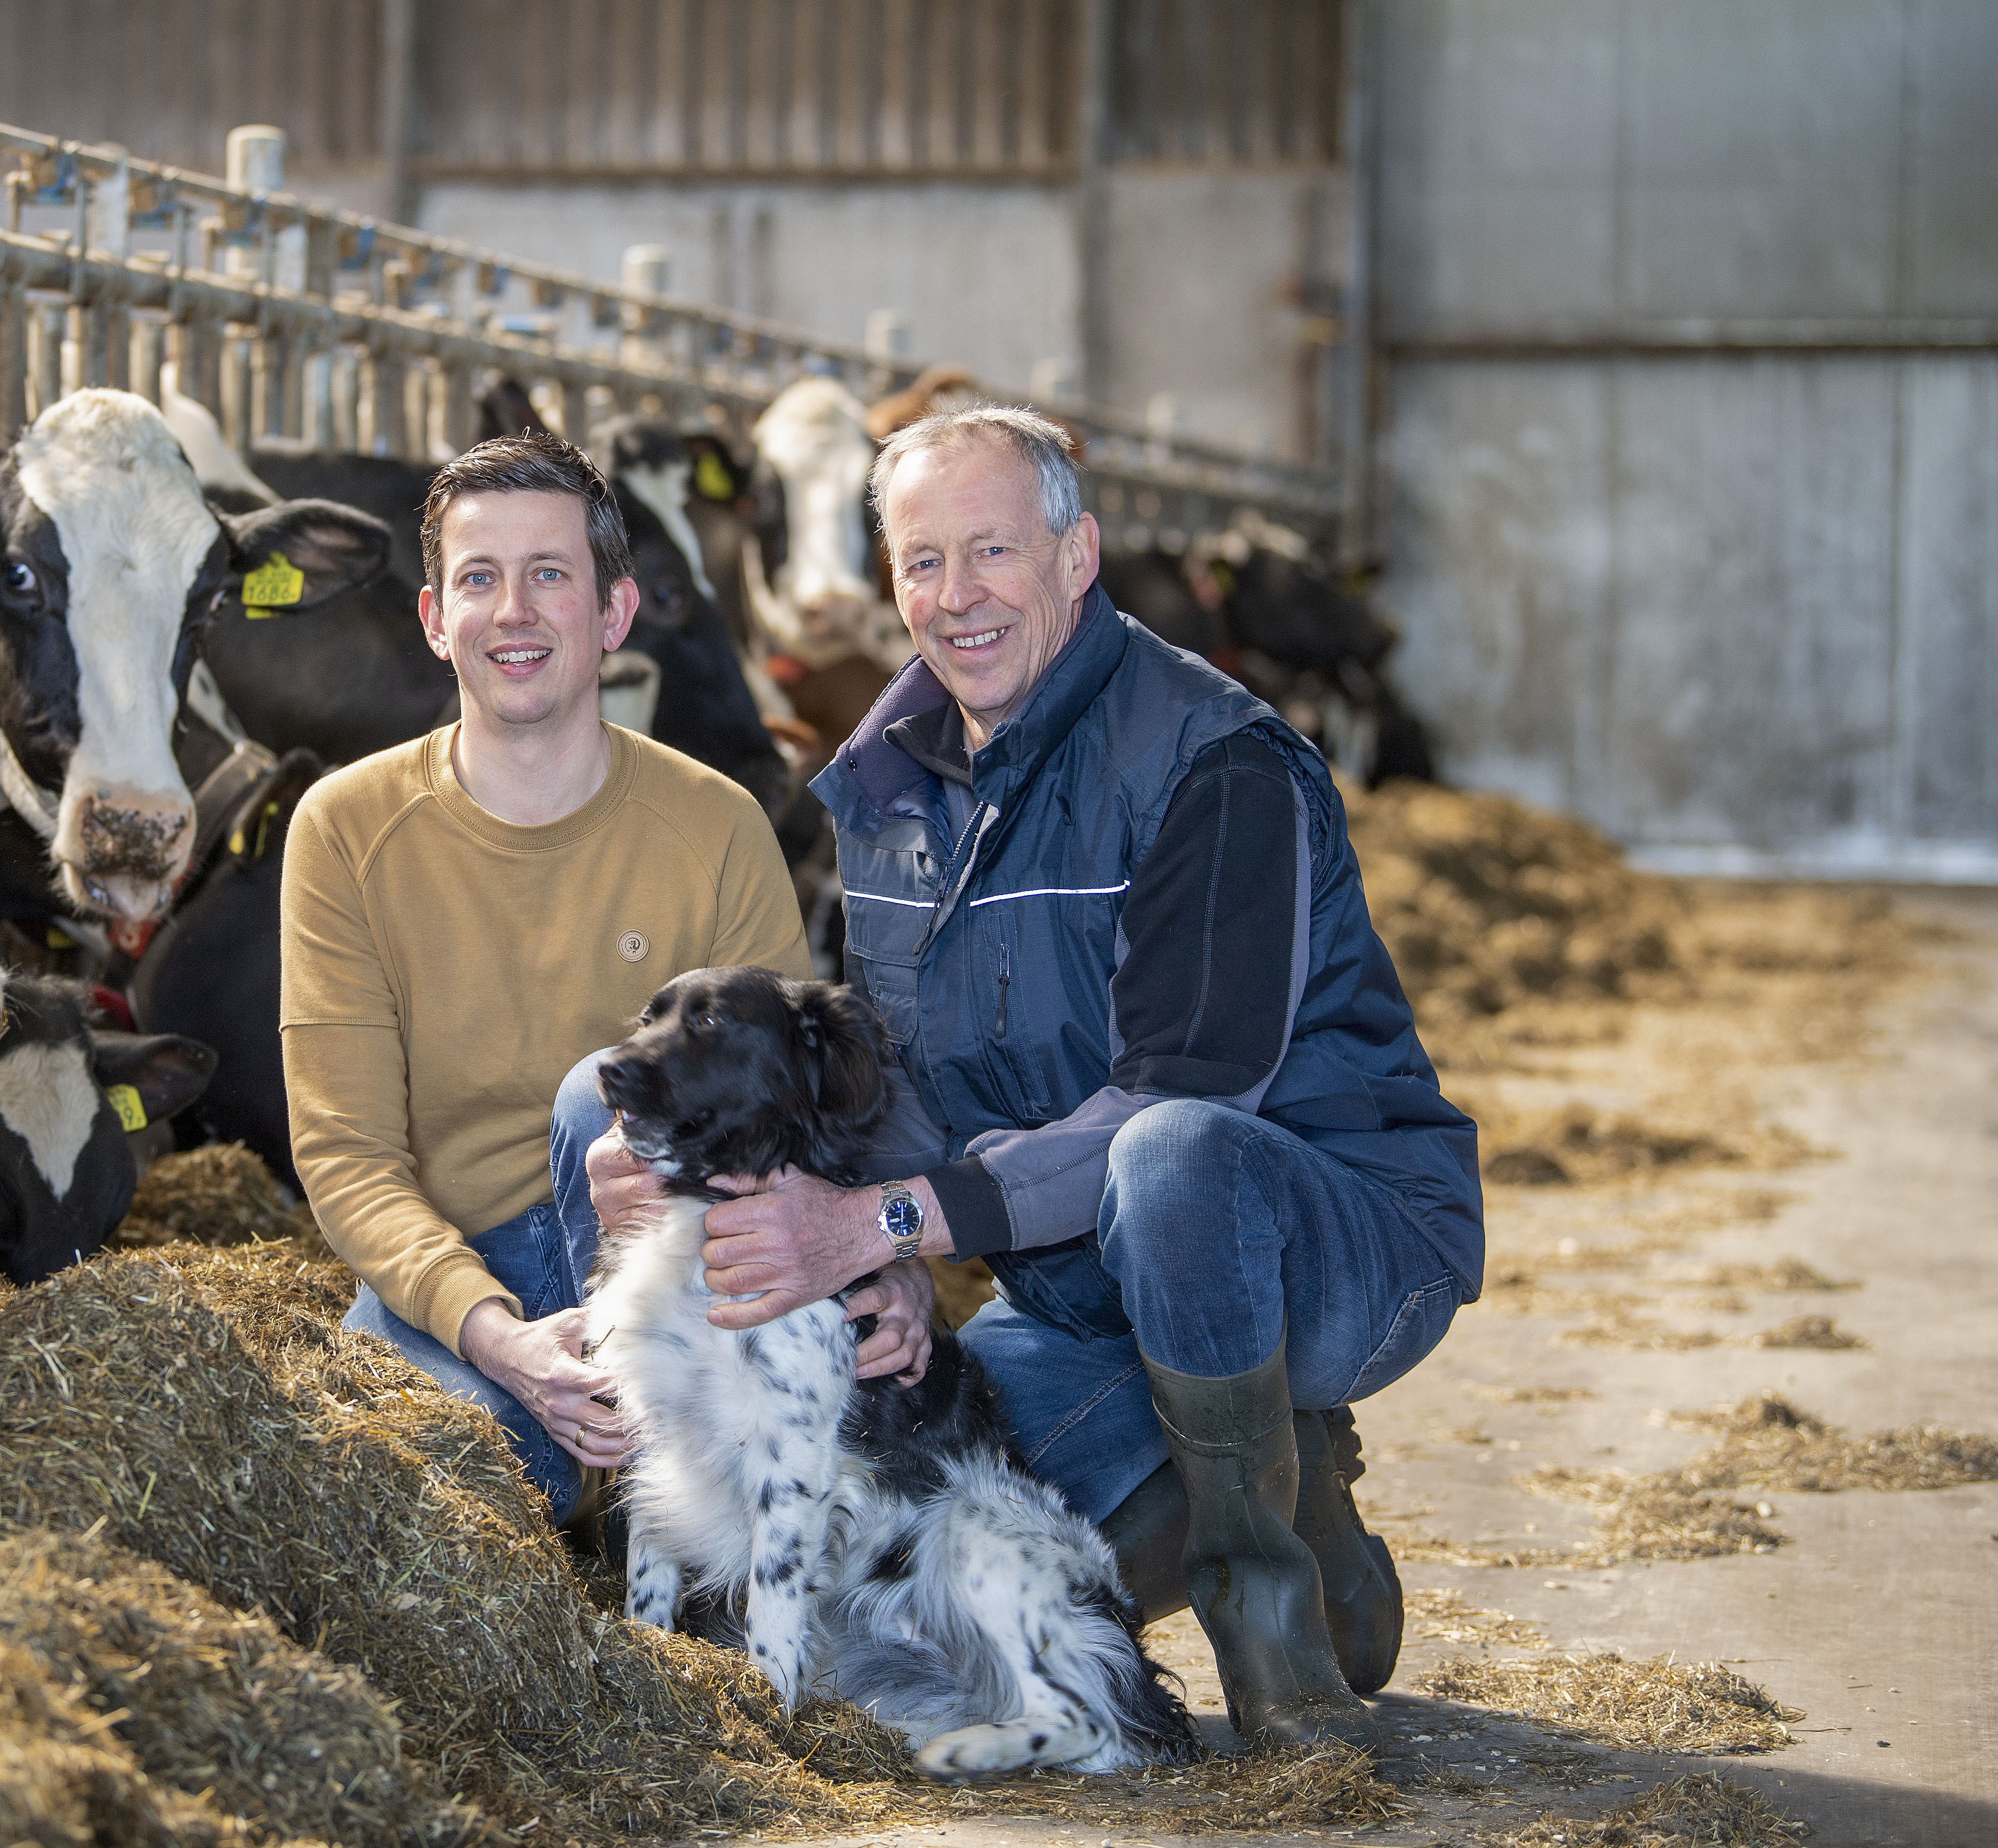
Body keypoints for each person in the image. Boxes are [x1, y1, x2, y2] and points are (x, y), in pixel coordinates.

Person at [587, 406, 1481, 1750]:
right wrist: (872, 1269)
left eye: (993, 549)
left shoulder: (1214, 757)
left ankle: (1278, 1631)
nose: (958, 597)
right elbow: (888, 1088)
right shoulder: (885, 789)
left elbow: (1187, 1096)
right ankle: (1290, 1489)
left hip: (1330, 1242)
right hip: (1074, 1288)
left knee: (1173, 1157)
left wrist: (889, 1223)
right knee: (924, 1544)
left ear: (1081, 556)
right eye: (924, 561)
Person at [281, 430, 940, 1524]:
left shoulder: (717, 824)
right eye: (480, 579)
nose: (516, 612)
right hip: (461, 1278)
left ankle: (663, 1474)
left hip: (682, 1264)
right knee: (423, 1503)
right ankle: (609, 1480)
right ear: (437, 620)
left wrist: (892, 1262)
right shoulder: (345, 829)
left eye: (551, 575)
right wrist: (501, 1337)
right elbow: (345, 1154)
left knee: (609, 1086)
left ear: (615, 614)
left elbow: (799, 1107)